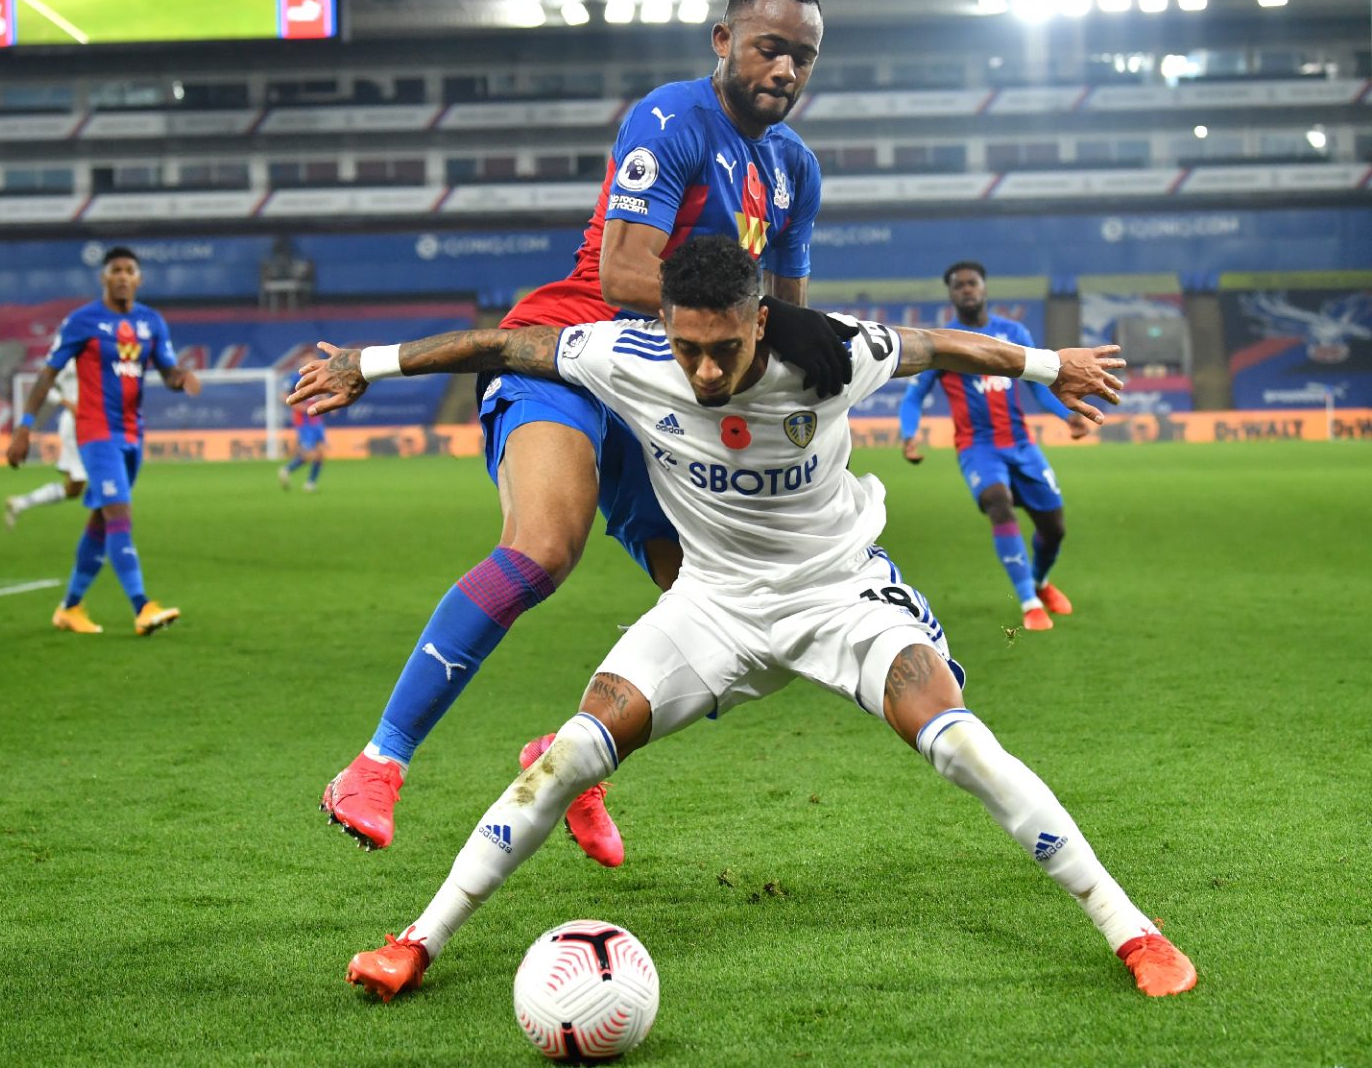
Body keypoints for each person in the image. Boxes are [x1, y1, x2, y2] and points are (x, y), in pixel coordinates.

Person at [289, 234, 1196, 1003]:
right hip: (711, 605)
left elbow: (941, 345)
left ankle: (1131, 929)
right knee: (571, 751)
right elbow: (503, 346)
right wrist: (363, 366)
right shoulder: (627, 357)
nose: (707, 370)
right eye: (689, 348)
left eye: (724, 347)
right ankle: (420, 938)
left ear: (759, 319)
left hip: (839, 593)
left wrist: (1052, 365)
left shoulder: (835, 354)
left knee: (958, 742)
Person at [318, 0, 854, 864]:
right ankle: (376, 764)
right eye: (770, 47)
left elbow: (776, 328)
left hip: (666, 394)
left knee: (721, 610)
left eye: (804, 57)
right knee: (543, 548)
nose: (787, 70)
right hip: (567, 350)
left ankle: (569, 759)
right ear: (724, 42)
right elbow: (621, 273)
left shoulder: (794, 170)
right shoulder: (672, 119)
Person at [6, 245, 201, 636]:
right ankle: (142, 606)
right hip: (95, 432)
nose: (124, 276)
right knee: (119, 515)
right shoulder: (83, 321)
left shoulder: (151, 322)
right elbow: (47, 375)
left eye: (130, 270)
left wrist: (181, 379)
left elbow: (166, 370)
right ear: (104, 278)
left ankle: (70, 607)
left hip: (132, 434)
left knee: (101, 520)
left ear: (139, 278)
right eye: (116, 270)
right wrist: (25, 426)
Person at [899, 261, 1090, 632]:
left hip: (1020, 444)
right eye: (959, 285)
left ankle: (1040, 582)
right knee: (998, 504)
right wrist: (910, 435)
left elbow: (1038, 385)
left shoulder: (1013, 332)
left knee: (1055, 528)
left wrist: (1066, 415)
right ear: (951, 294)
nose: (967, 290)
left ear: (985, 288)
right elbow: (913, 396)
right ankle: (1029, 602)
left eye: (973, 283)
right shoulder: (942, 341)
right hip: (977, 448)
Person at [4, 365, 87, 527]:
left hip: (97, 423)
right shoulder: (68, 353)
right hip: (76, 424)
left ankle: (20, 502)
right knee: (88, 483)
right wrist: (67, 403)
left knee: (75, 487)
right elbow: (44, 386)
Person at [279, 395, 326, 492]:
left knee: (320, 453)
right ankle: (287, 469)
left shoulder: (317, 379)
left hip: (317, 421)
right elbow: (283, 396)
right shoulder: (295, 379)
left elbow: (321, 392)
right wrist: (299, 407)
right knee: (309, 455)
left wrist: (327, 402)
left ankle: (310, 484)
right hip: (304, 423)